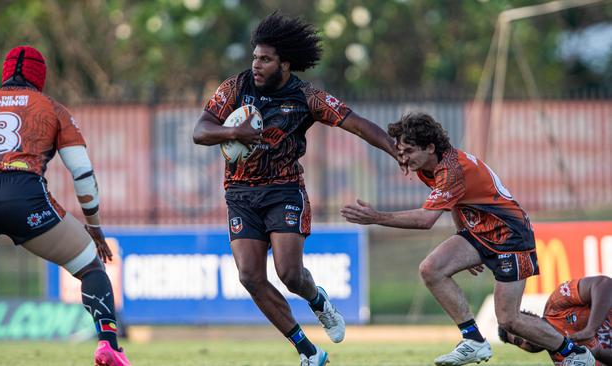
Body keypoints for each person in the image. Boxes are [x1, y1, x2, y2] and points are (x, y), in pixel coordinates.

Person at [193, 12, 398, 366]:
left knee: (289, 274)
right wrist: (233, 133)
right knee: (250, 277)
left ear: (285, 64)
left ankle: (318, 301)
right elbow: (200, 131)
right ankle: (308, 351)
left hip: (284, 190)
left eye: (266, 59)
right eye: (255, 57)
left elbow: (358, 124)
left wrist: (397, 153)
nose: (256, 65)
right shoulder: (234, 88)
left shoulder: (305, 97)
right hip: (240, 194)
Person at [340, 112, 595, 366]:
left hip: (510, 236)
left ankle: (573, 352)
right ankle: (473, 340)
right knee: (432, 269)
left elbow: (425, 220)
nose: (402, 157)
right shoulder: (429, 166)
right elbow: (456, 203)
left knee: (508, 320)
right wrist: (465, 237)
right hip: (480, 232)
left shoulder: (452, 170)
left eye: (408, 151)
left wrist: (376, 217)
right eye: (400, 150)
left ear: (430, 147)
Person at [0, 45, 131, 366]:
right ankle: (109, 345)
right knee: (92, 267)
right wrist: (93, 225)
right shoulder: (50, 107)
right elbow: (82, 172)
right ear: (41, 76)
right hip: (24, 197)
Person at [499, 275, 612, 366]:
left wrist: (590, 329)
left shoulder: (557, 304)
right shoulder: (564, 362)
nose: (526, 339)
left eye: (523, 329)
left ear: (532, 316)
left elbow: (605, 284)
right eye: (519, 342)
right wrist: (597, 353)